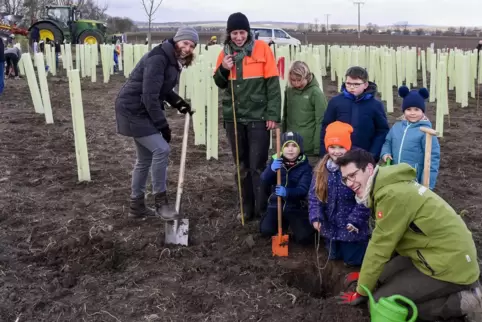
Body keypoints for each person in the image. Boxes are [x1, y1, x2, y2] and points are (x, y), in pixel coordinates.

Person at [334, 149, 482, 322]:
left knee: (381, 302)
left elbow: (380, 248)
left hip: (450, 264)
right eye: (345, 179)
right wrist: (368, 280)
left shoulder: (391, 195)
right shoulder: (386, 184)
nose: (350, 183)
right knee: (380, 278)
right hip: (429, 252)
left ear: (368, 168)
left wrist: (361, 289)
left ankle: (465, 302)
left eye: (353, 175)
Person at [115, 26, 197, 219]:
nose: (188, 48)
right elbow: (150, 96)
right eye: (185, 43)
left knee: (144, 160)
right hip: (133, 109)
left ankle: (137, 207)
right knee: (162, 149)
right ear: (177, 41)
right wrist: (163, 126)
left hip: (143, 108)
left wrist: (179, 104)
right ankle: (161, 203)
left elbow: (163, 90)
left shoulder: (171, 59)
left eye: (192, 46)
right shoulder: (158, 58)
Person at [213, 12, 281, 221]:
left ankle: (262, 208)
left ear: (248, 32)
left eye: (242, 32)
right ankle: (245, 207)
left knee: (257, 165)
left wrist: (272, 114)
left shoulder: (262, 50)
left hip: (258, 116)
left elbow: (272, 83)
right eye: (234, 33)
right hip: (234, 117)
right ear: (229, 33)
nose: (238, 37)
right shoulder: (224, 53)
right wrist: (223, 69)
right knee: (240, 165)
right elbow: (219, 82)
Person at [309, 121, 370, 266]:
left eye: (341, 147)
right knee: (333, 257)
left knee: (352, 260)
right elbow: (314, 196)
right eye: (332, 147)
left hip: (352, 228)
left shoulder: (354, 168)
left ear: (348, 147)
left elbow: (365, 198)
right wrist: (316, 217)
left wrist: (355, 219)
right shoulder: (321, 169)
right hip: (330, 227)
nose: (336, 151)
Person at [319, 66, 389, 162]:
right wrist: (325, 153)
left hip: (364, 156)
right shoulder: (335, 102)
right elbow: (326, 127)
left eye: (356, 84)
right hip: (339, 155)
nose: (351, 87)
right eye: (348, 83)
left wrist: (373, 155)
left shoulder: (375, 105)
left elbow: (382, 131)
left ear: (365, 85)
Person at [381, 86, 440, 189]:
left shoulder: (426, 132)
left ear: (422, 111)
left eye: (416, 109)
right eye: (408, 109)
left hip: (413, 179)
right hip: (395, 174)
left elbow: (432, 159)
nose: (412, 113)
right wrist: (385, 153)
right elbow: (388, 142)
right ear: (404, 111)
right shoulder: (397, 126)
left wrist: (427, 186)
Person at [259, 131, 314, 244]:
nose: (290, 149)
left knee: (305, 238)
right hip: (276, 204)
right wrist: (272, 169)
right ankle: (281, 223)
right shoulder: (276, 162)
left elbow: (303, 190)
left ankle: (293, 225)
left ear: (300, 148)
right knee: (265, 230)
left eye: (294, 145)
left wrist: (287, 192)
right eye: (286, 145)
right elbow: (264, 180)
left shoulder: (305, 167)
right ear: (281, 148)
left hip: (295, 206)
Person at [282, 61, 327, 164]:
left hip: (309, 148)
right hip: (291, 144)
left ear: (307, 77)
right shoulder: (289, 91)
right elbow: (285, 117)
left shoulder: (315, 93)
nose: (296, 83)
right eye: (293, 80)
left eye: (299, 80)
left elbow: (321, 120)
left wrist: (317, 148)